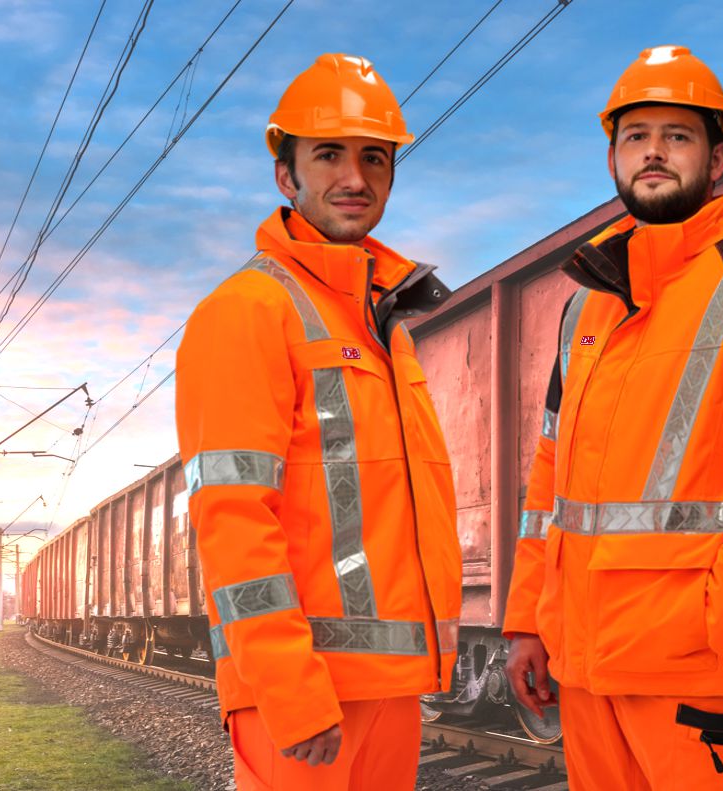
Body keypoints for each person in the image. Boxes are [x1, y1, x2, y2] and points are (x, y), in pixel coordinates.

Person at [502, 45, 723, 789]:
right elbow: (549, 486)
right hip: (584, 669)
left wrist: (717, 612)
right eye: (636, 136)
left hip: (694, 674)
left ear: (719, 155)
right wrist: (526, 621)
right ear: (612, 156)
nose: (654, 152)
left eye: (678, 135)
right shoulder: (583, 312)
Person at [174, 53, 461, 791]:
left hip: (387, 688)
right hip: (303, 698)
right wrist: (291, 691)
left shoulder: (381, 327)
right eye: (328, 154)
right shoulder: (247, 310)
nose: (354, 178)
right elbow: (233, 516)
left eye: (373, 157)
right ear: (285, 174)